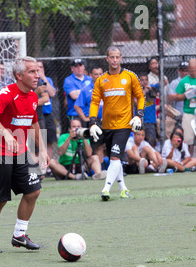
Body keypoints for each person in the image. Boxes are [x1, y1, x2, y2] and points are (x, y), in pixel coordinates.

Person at [0, 56, 50, 253]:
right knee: (0, 199)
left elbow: (34, 124)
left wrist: (43, 150)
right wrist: (6, 134)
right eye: (32, 72)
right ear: (19, 76)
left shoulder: (33, 96)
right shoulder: (6, 94)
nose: (37, 75)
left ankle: (19, 235)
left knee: (33, 191)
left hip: (21, 153)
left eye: (37, 71)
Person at [89, 46, 145, 201]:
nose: (114, 60)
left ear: (121, 58)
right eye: (111, 57)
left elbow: (141, 96)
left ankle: (105, 189)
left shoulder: (130, 76)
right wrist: (92, 122)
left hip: (124, 125)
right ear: (107, 59)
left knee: (114, 157)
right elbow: (94, 102)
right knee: (116, 158)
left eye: (117, 57)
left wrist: (139, 115)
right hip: (107, 125)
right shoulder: (101, 80)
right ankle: (123, 189)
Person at [172, 58, 196, 157]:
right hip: (188, 112)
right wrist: (186, 95)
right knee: (188, 139)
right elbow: (176, 97)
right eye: (191, 70)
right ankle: (189, 161)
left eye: (195, 70)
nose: (194, 72)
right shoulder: (184, 81)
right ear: (188, 69)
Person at [37, 60, 57, 163]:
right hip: (37, 115)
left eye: (41, 67)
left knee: (49, 140)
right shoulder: (33, 82)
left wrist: (43, 78)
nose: (39, 69)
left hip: (47, 114)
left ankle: (49, 166)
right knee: (38, 141)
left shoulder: (47, 80)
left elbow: (52, 93)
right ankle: (39, 164)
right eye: (37, 67)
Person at [63, 58, 92, 125]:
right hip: (75, 114)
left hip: (89, 114)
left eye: (80, 65)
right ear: (72, 68)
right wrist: (88, 91)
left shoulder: (89, 79)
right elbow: (74, 95)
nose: (79, 68)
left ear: (84, 67)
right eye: (76, 66)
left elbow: (96, 92)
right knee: (77, 135)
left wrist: (79, 91)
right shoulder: (68, 80)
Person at [139, 73, 159, 147]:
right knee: (140, 143)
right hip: (141, 121)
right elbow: (135, 102)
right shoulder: (137, 90)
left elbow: (164, 82)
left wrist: (151, 88)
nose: (144, 82)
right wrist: (144, 92)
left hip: (150, 121)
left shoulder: (152, 88)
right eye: (142, 80)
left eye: (146, 80)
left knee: (151, 142)